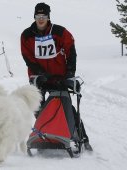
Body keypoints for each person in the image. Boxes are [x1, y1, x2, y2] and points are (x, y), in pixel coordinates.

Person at [20, 2, 93, 151]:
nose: (41, 19)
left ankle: (83, 137)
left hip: (59, 78)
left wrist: (70, 74)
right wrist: (39, 74)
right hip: (38, 78)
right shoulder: (26, 35)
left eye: (44, 16)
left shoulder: (59, 32)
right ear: (34, 17)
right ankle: (46, 134)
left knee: (66, 107)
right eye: (38, 16)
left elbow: (71, 51)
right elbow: (27, 57)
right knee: (37, 107)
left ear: (48, 17)